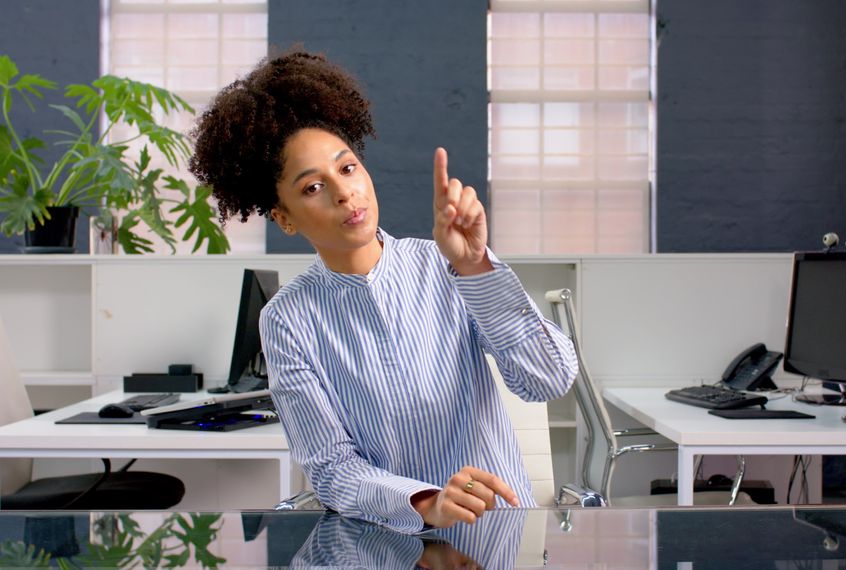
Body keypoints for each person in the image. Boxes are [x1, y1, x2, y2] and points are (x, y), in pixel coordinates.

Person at [189, 49, 578, 534]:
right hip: (379, 542)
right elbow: (331, 468)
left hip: (494, 535)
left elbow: (550, 380)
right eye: (313, 187)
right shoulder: (287, 319)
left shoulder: (447, 264)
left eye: (347, 168)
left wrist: (476, 266)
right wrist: (425, 502)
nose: (344, 193)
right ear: (283, 218)